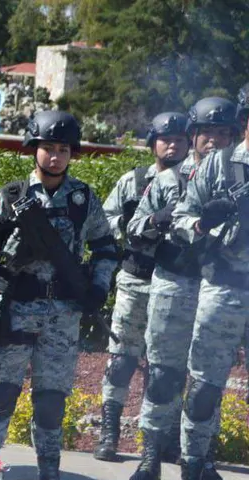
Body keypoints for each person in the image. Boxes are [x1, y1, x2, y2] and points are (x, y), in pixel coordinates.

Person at [0, 110, 118, 480]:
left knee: (51, 405)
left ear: (72, 154)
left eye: (63, 149)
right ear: (34, 149)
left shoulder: (82, 199)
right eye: (48, 148)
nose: (55, 156)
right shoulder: (12, 195)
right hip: (16, 311)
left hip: (62, 316)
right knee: (0, 397)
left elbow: (106, 248)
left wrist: (100, 287)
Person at [126, 97, 238, 480]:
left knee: (208, 381)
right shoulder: (172, 180)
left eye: (224, 134)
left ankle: (203, 463)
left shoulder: (236, 180)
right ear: (193, 136)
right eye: (207, 133)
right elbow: (134, 229)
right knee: (163, 374)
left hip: (220, 289)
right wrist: (161, 220)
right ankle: (150, 457)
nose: (215, 141)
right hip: (175, 283)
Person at [162, 94, 249, 480]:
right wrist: (202, 223)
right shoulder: (218, 165)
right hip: (224, 289)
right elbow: (180, 217)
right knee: (202, 393)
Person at [93, 112, 189, 461]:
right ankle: (109, 432)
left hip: (179, 283)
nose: (173, 145)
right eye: (166, 139)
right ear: (153, 144)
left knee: (170, 366)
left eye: (180, 138)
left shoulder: (195, 181)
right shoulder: (133, 182)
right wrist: (143, 226)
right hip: (137, 279)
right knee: (122, 359)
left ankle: (165, 440)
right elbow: (104, 222)